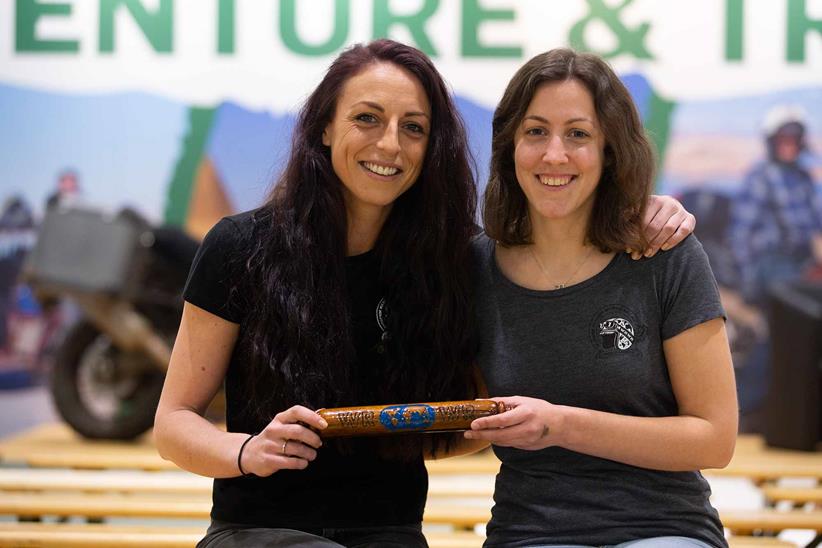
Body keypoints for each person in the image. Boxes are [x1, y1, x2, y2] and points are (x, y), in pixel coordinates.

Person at [154, 40, 696, 547]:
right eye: (367, 118)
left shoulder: (452, 260)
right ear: (323, 126)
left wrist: (645, 208)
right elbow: (174, 422)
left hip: (394, 532)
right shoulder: (240, 247)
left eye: (412, 127)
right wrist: (246, 450)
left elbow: (461, 424)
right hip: (260, 530)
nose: (389, 143)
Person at [466, 48, 738, 548]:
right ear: (509, 146)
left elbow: (715, 438)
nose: (554, 154)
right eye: (535, 131)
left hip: (664, 528)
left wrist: (560, 425)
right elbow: (468, 421)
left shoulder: (665, 253)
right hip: (530, 533)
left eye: (578, 134)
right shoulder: (474, 268)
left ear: (610, 149)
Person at [727, 105, 822, 431]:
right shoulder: (761, 177)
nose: (789, 142)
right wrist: (751, 280)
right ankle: (743, 408)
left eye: (794, 136)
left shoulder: (802, 178)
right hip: (770, 268)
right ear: (771, 140)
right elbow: (741, 236)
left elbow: (813, 228)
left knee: (802, 337)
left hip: (798, 267)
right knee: (781, 335)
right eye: (783, 136)